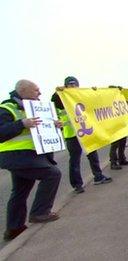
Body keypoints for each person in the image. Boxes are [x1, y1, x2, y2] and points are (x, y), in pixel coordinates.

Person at [1, 80, 62, 241]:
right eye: (36, 90)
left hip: (30, 155)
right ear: (23, 90)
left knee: (20, 192)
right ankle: (40, 213)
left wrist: (55, 125)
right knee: (52, 174)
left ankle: (14, 229)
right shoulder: (7, 108)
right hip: (16, 156)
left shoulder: (37, 108)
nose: (39, 93)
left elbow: (42, 128)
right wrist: (22, 123)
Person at [51, 76, 112, 193]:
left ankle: (98, 176)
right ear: (66, 86)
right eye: (70, 84)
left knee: (93, 155)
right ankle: (77, 185)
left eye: (75, 84)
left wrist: (94, 92)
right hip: (72, 134)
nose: (73, 86)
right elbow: (55, 103)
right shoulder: (60, 98)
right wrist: (56, 93)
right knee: (75, 160)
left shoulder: (81, 96)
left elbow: (96, 102)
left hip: (86, 132)